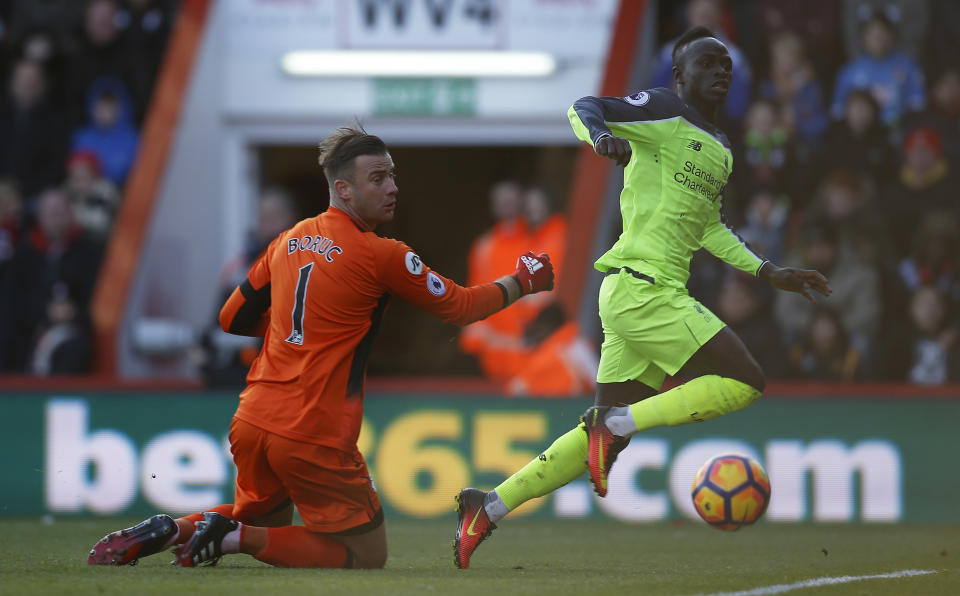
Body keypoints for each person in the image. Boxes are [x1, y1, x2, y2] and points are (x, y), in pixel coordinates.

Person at [86, 125, 555, 569]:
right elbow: (460, 307)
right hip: (314, 426)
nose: (392, 187)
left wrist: (298, 331)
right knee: (365, 552)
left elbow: (230, 318)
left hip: (252, 419)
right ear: (344, 190)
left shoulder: (286, 241)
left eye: (392, 175)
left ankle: (173, 529)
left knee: (263, 520)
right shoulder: (383, 254)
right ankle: (228, 538)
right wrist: (522, 280)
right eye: (378, 177)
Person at [452, 27, 832, 569]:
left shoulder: (721, 151)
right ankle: (614, 425)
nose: (719, 70)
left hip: (640, 295)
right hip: (641, 290)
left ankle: (487, 506)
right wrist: (601, 138)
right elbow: (583, 106)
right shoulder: (663, 110)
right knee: (745, 382)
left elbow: (710, 228)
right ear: (680, 75)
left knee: (601, 432)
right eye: (706, 62)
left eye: (725, 63)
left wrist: (769, 270)